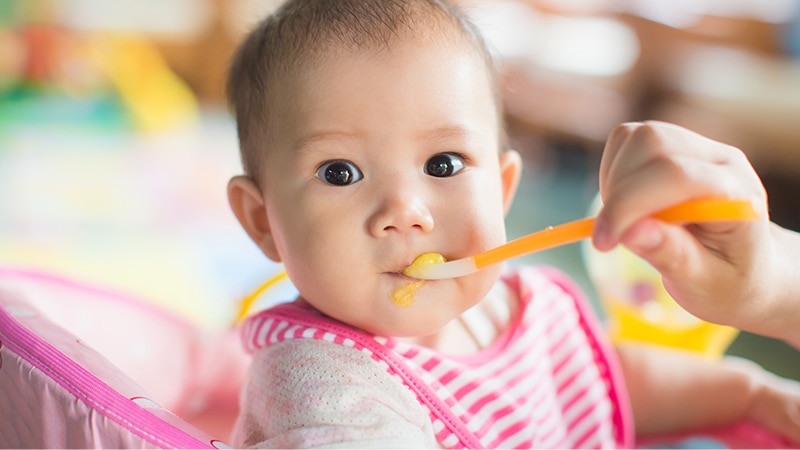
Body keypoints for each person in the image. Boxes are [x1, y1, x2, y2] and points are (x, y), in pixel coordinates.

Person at [224, 0, 800, 447]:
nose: (405, 210)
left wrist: (747, 396)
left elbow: (597, 381)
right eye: (341, 172)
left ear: (501, 191)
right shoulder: (321, 384)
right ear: (263, 221)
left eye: (443, 164)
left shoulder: (523, 303)